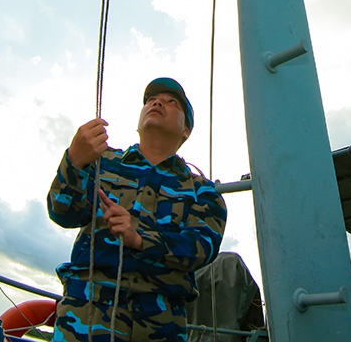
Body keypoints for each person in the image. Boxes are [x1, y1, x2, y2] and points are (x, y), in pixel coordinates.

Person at [48, 77, 227, 342]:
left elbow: (202, 248)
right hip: (86, 315)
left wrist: (140, 238)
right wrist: (73, 161)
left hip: (159, 323)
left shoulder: (203, 192)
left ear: (186, 130)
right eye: (152, 100)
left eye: (171, 102)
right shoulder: (101, 163)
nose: (157, 102)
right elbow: (63, 212)